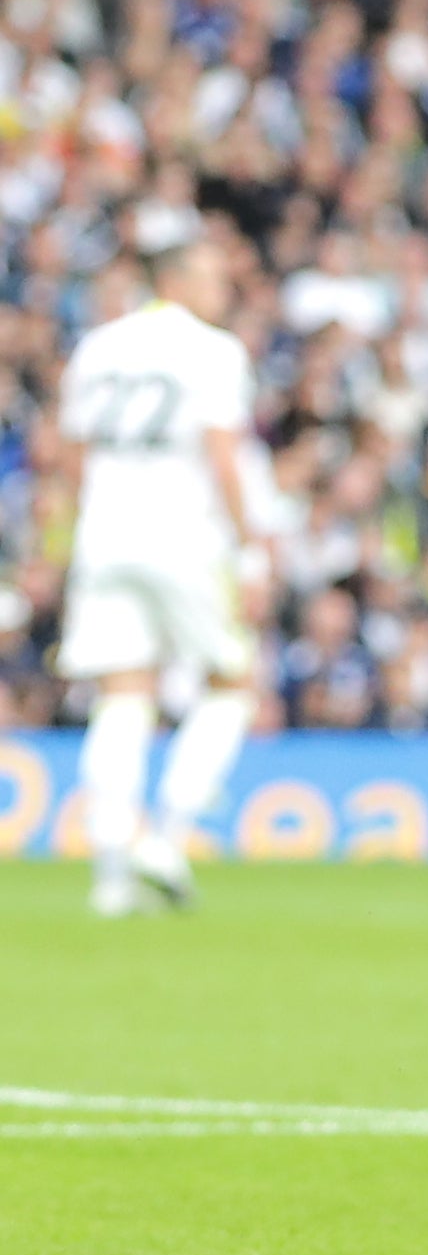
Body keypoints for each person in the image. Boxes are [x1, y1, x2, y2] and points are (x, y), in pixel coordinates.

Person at [51, 241, 265, 918]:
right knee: (231, 680)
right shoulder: (213, 349)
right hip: (182, 535)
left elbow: (70, 452)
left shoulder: (98, 346)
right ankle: (166, 837)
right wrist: (251, 548)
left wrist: (96, 517)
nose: (223, 290)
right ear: (174, 280)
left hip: (104, 535)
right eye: (212, 275)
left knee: (122, 692)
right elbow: (223, 455)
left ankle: (111, 873)